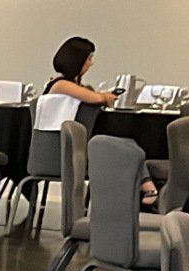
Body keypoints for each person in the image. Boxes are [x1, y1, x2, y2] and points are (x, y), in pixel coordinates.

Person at [44, 36, 157, 206]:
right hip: (63, 150)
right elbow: (96, 98)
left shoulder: (74, 87)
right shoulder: (60, 85)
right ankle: (146, 185)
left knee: (129, 144)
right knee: (126, 146)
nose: (91, 63)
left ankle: (145, 185)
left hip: (79, 146)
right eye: (89, 58)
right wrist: (105, 96)